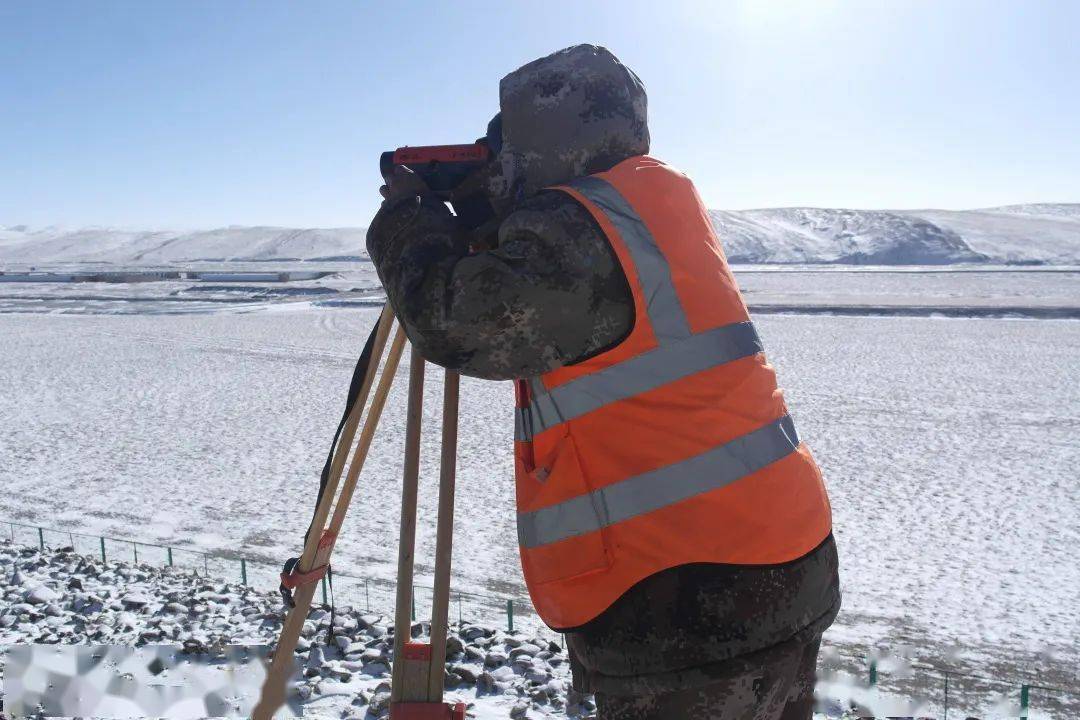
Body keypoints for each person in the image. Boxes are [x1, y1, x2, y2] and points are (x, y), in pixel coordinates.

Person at [367, 44, 840, 720]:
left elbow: (455, 322)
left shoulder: (578, 228)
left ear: (541, 140)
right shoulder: (652, 199)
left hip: (683, 603)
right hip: (782, 562)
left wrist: (410, 219)